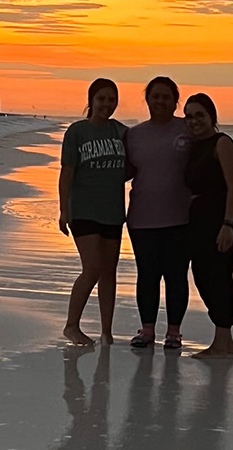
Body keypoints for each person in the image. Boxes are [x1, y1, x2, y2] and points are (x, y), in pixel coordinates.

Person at [58, 78, 128, 346]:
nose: (106, 105)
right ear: (91, 101)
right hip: (84, 209)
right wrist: (64, 210)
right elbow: (67, 173)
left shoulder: (121, 132)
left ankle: (107, 332)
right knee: (93, 268)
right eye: (101, 99)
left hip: (112, 210)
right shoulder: (77, 132)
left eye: (111, 100)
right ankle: (71, 326)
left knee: (110, 271)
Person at [126, 77, 192, 349]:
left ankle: (174, 333)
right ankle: (147, 330)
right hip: (142, 217)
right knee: (147, 275)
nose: (161, 101)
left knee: (176, 276)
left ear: (176, 101)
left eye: (166, 97)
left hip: (181, 217)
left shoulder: (188, 129)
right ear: (147, 99)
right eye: (156, 96)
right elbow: (122, 171)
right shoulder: (134, 135)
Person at [183, 93, 233, 359]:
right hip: (198, 219)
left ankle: (224, 342)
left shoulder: (222, 143)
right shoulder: (194, 147)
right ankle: (222, 340)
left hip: (220, 218)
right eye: (189, 116)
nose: (194, 121)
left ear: (211, 117)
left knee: (219, 276)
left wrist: (227, 223)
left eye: (199, 115)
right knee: (202, 275)